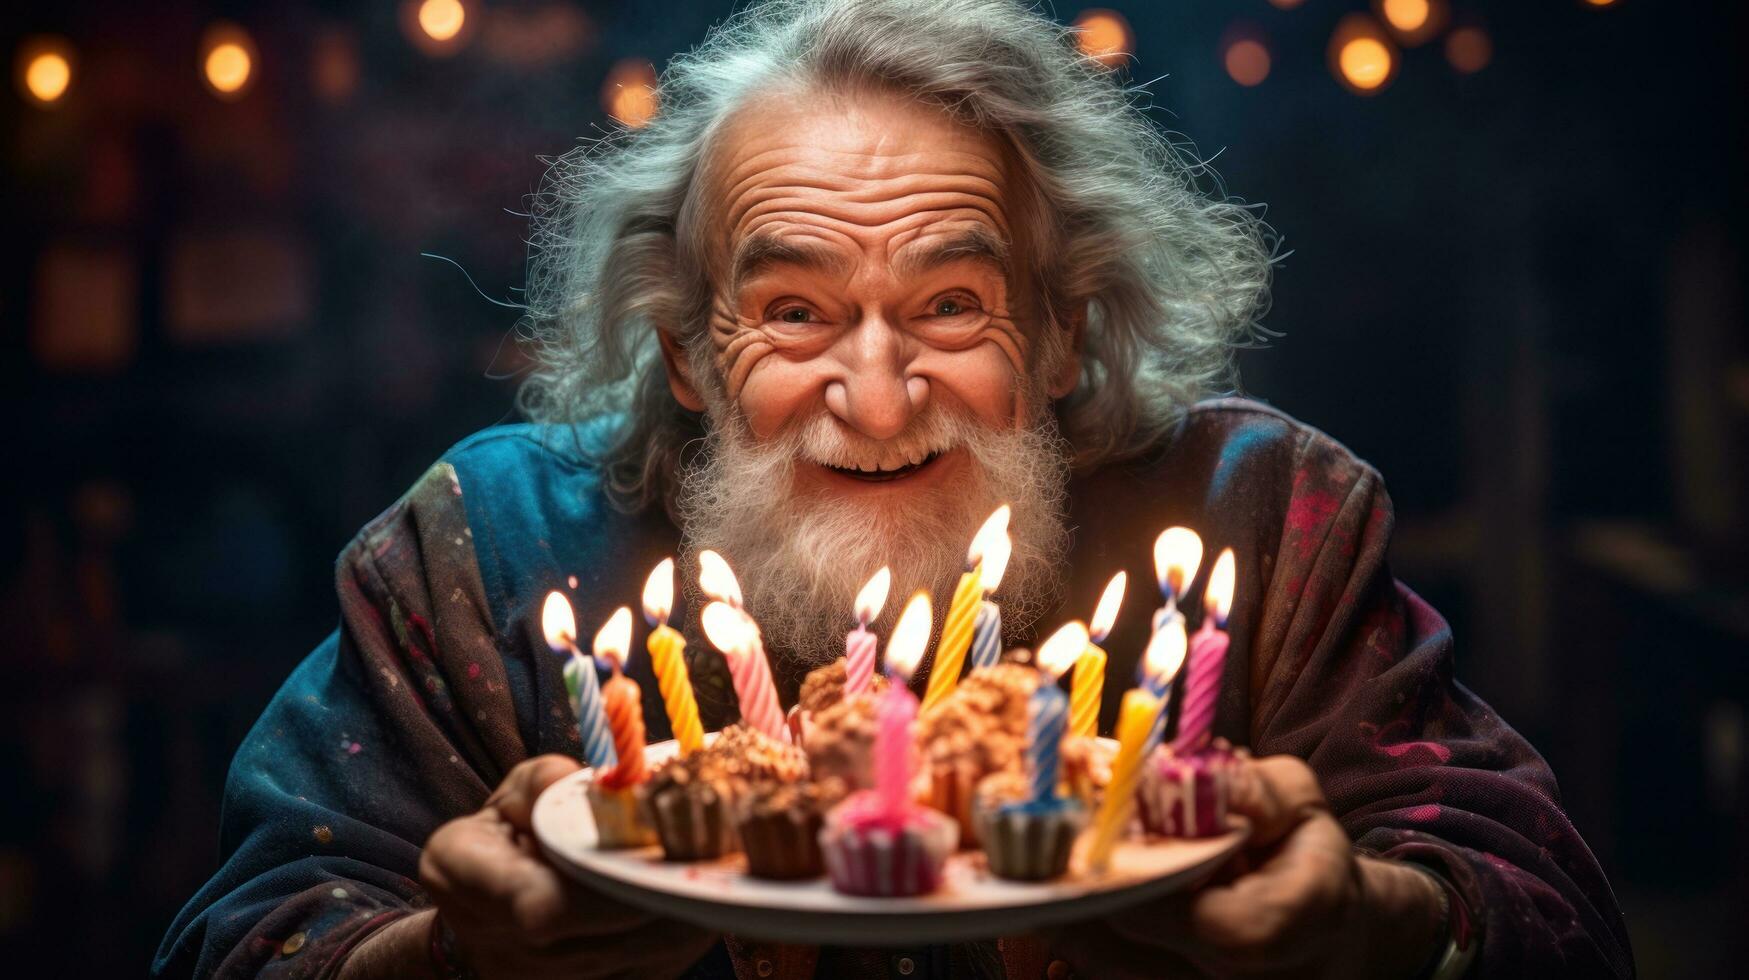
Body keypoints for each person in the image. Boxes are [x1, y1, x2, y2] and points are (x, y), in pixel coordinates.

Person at [155, 1, 1632, 977]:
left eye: (949, 308)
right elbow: (242, 936)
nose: (872, 396)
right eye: (791, 313)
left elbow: (1557, 922)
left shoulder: (1259, 521)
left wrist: (1364, 927)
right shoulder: (484, 556)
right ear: (683, 352)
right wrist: (449, 959)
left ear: (1060, 334)